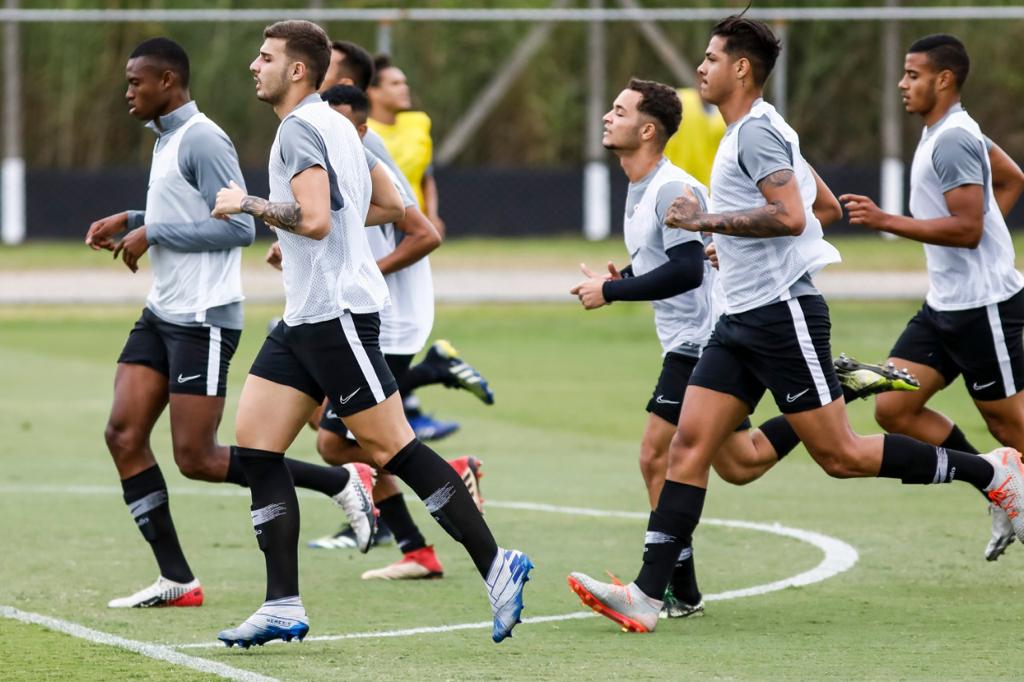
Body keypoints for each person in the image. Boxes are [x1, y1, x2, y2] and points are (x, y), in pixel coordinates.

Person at [567, 14, 1024, 634]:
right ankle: (648, 596)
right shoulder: (752, 133)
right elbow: (825, 207)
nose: (701, 68)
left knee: (840, 455)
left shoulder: (755, 133)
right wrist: (725, 242)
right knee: (689, 446)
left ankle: (990, 472)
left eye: (710, 57)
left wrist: (709, 225)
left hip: (782, 314)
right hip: (737, 317)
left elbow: (789, 216)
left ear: (741, 69)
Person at [212, 20, 531, 648]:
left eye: (265, 56)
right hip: (305, 316)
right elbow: (384, 204)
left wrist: (247, 205)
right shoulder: (339, 124)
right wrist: (326, 225)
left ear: (297, 69)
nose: (255, 65)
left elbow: (314, 221)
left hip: (337, 315)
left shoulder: (302, 127)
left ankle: (498, 565)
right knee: (255, 450)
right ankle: (282, 605)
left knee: (396, 451)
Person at [569, 78, 916, 620]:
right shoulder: (641, 187)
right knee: (740, 461)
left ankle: (671, 592)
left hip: (703, 338)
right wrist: (631, 274)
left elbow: (686, 271)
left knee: (659, 454)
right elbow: (675, 257)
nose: (606, 117)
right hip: (707, 337)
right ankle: (840, 385)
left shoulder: (670, 189)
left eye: (618, 110)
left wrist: (611, 291)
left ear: (646, 129)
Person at [84, 37, 379, 610]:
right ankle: (177, 579)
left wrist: (156, 232)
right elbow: (190, 211)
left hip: (204, 319)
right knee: (122, 435)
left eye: (135, 82)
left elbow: (238, 228)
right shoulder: (167, 138)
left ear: (167, 82)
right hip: (162, 311)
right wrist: (135, 218)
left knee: (198, 458)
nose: (127, 93)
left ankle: (340, 481)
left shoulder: (202, 137)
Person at [840, 34, 1024, 561]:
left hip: (983, 306)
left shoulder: (953, 140)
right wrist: (993, 236)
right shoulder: (945, 132)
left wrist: (886, 221)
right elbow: (1012, 179)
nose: (903, 83)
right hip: (944, 306)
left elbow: (967, 228)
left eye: (913, 75)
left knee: (1010, 425)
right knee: (895, 408)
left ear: (944, 80)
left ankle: (1011, 489)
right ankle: (997, 484)